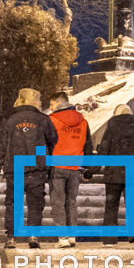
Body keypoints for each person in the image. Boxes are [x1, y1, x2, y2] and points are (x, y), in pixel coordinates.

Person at [0, 88, 57, 249]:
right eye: (39, 100)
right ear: (34, 101)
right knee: (35, 203)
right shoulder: (42, 119)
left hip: (15, 168)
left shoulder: (9, 120)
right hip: (37, 168)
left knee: (13, 203)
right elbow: (53, 139)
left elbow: (1, 147)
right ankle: (33, 235)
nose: (41, 103)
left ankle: (11, 237)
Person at [95, 105, 134, 248]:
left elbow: (104, 151)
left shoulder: (112, 128)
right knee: (133, 205)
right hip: (133, 173)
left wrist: (91, 171)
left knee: (111, 206)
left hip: (114, 173)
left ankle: (109, 239)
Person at [47, 91, 94, 248]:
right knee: (71, 202)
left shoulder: (52, 120)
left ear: (59, 103)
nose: (50, 107)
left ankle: (62, 237)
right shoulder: (83, 121)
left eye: (52, 104)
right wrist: (87, 168)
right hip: (75, 167)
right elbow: (88, 146)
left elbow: (46, 145)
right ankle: (72, 235)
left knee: (57, 202)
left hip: (57, 166)